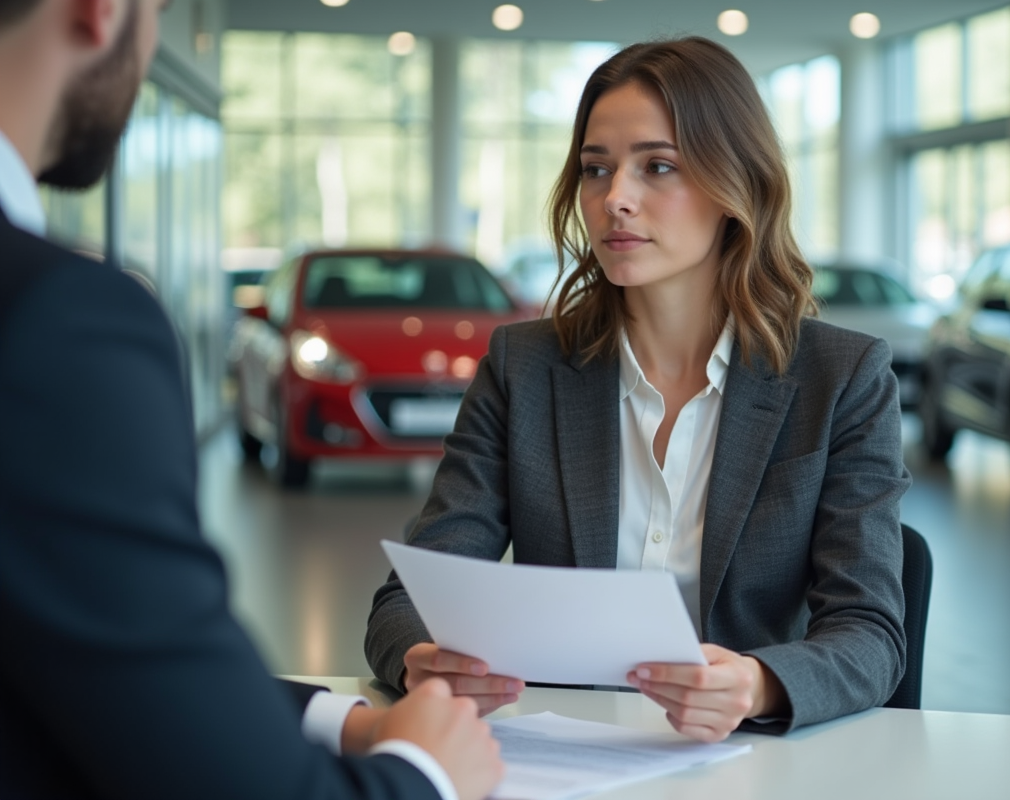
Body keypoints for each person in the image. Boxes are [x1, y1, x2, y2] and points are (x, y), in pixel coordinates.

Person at [0, 1, 503, 798]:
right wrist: (424, 773)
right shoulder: (56, 317)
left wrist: (350, 721)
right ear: (102, 11)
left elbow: (100, 659)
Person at [365, 37, 911, 743]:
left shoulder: (842, 378)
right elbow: (408, 598)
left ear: (735, 184)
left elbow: (870, 635)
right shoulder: (523, 366)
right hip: (555, 757)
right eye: (596, 170)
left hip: (751, 766)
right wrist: (423, 661)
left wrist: (756, 683)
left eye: (658, 166)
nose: (615, 198)